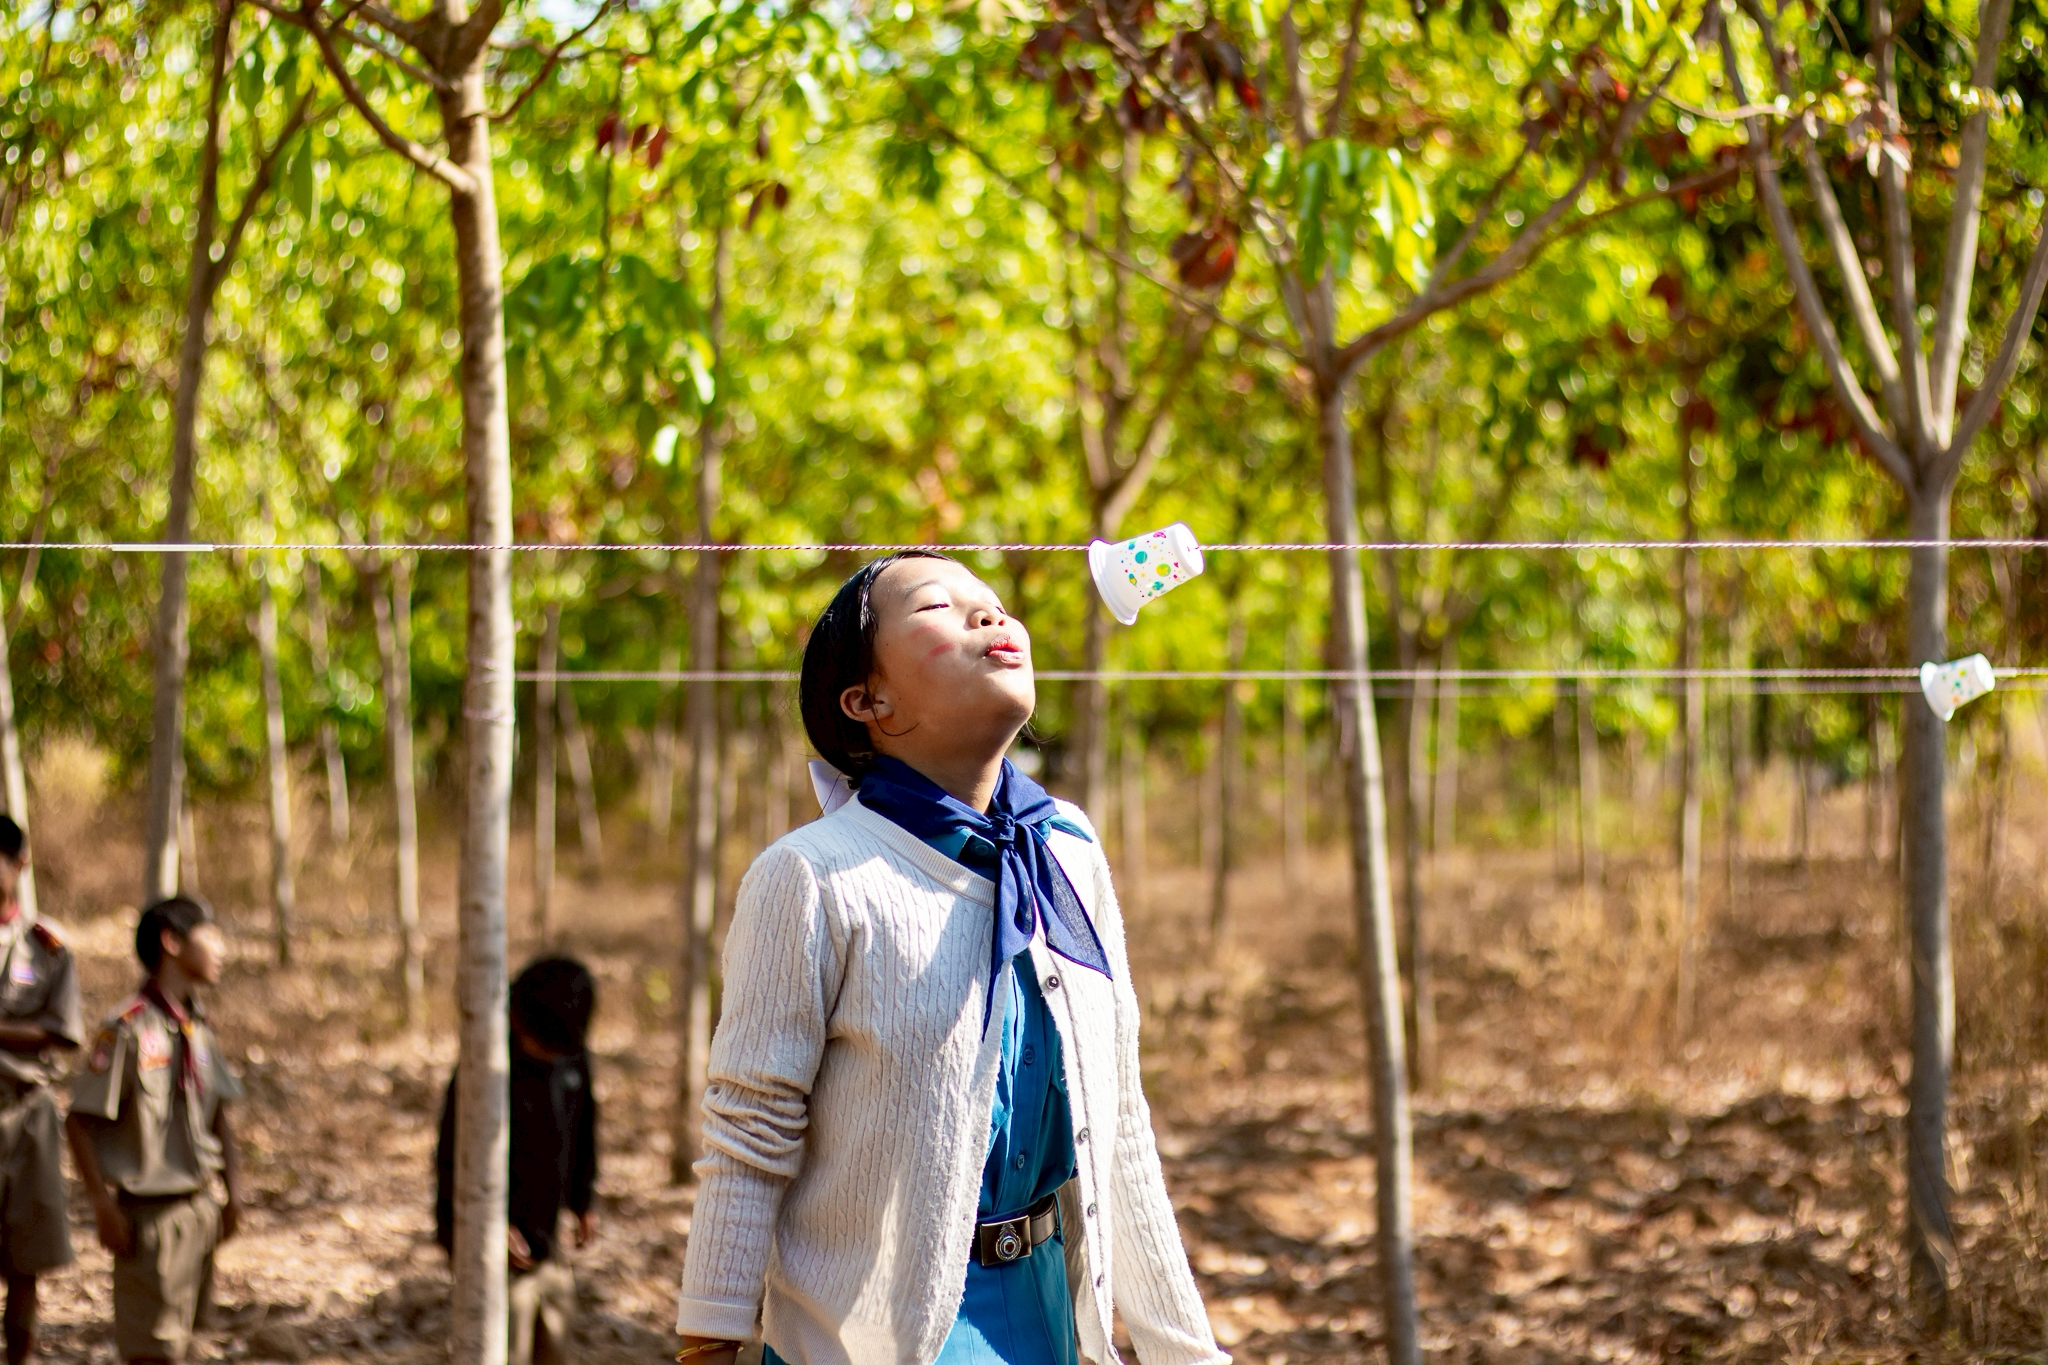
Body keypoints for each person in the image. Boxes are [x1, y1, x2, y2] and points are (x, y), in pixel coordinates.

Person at [674, 552, 1226, 1365]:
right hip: (866, 1341)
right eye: (938, 606)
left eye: (995, 603)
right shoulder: (813, 876)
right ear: (868, 700)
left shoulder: (1065, 850)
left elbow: (1119, 1120)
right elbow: (751, 1129)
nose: (991, 616)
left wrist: (1188, 1351)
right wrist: (710, 1342)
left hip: (1046, 1320)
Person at [65, 895, 244, 1365]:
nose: (222, 948)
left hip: (200, 1209)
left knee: (191, 1343)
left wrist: (233, 1193)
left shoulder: (198, 1027)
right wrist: (102, 1204)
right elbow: (80, 1121)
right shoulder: (126, 1028)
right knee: (152, 1353)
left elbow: (219, 1115)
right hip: (150, 1219)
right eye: (211, 936)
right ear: (172, 942)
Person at [435, 955, 599, 1365]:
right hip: (495, 1254)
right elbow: (451, 1161)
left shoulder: (572, 1054)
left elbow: (584, 1128)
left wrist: (583, 1200)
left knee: (555, 1345)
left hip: (549, 1246)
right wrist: (484, 1225)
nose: (548, 1057)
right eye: (540, 1047)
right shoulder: (484, 1071)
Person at [0, 816, 82, 1365]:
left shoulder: (45, 946)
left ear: (19, 864)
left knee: (26, 1259)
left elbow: (63, 1031)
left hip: (27, 1114)